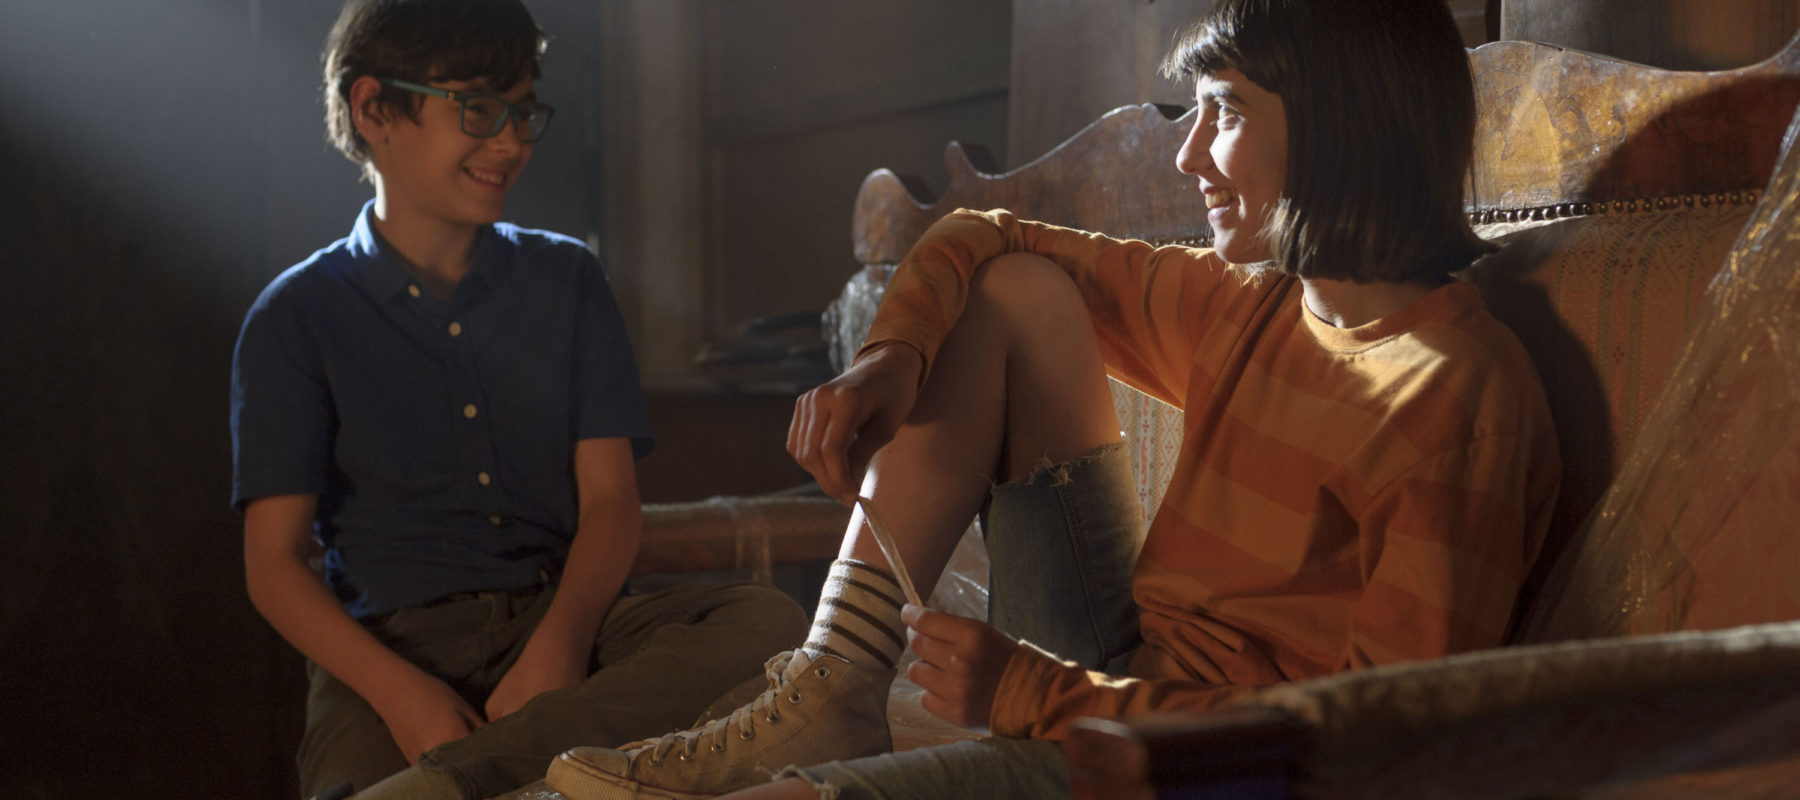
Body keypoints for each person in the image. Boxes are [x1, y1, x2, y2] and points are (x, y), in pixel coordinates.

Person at [544, 0, 1561, 798]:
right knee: (1016, 290)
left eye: (1227, 111)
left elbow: (1386, 743)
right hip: (1119, 672)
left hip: (1216, 767)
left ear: (1345, 128)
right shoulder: (1252, 303)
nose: (1189, 154)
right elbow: (985, 234)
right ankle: (834, 683)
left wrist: (1037, 693)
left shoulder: (1457, 393)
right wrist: (890, 359)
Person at [229, 2, 808, 798]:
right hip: (386, 650)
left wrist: (559, 648)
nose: (510, 143)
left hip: (562, 616)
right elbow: (274, 566)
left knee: (770, 625)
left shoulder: (568, 279)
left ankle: (449, 782)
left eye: (523, 111)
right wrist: (403, 696)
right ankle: (513, 762)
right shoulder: (295, 317)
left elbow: (611, 503)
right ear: (373, 109)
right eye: (478, 109)